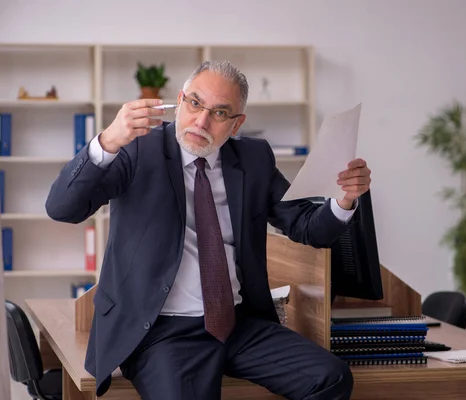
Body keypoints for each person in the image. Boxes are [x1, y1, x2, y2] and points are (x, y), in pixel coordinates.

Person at [45, 60, 372, 400]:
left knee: (331, 378)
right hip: (160, 330)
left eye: (219, 113)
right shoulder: (138, 149)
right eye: (195, 104)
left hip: (237, 324)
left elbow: (307, 227)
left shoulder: (253, 158)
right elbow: (61, 208)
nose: (201, 121)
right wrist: (108, 140)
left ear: (236, 124)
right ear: (181, 99)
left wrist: (345, 199)